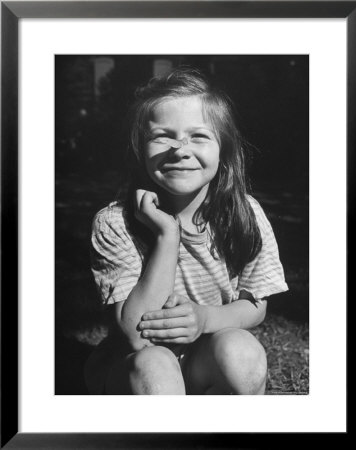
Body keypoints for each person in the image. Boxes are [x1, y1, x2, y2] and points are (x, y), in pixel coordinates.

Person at [85, 68, 288, 395]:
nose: (180, 149)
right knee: (156, 364)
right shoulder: (114, 222)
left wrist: (204, 319)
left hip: (203, 358)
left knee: (243, 352)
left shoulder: (244, 213)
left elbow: (255, 305)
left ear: (224, 150)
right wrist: (168, 236)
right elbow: (136, 336)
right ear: (140, 148)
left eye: (199, 136)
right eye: (162, 135)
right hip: (137, 369)